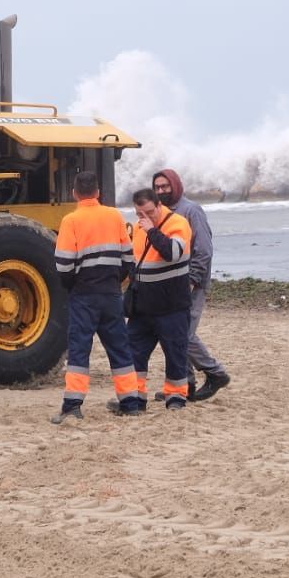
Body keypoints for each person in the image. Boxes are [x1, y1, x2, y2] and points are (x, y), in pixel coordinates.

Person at [50, 171, 140, 423]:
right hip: (111, 293)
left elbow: (64, 263)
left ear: (75, 193)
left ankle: (72, 406)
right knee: (120, 348)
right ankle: (130, 402)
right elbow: (128, 257)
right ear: (98, 192)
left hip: (84, 294)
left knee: (80, 350)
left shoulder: (71, 221)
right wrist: (116, 280)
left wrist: (71, 285)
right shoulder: (114, 216)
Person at [152, 169, 232, 401]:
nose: (161, 191)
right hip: (170, 284)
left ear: (175, 185)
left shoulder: (191, 211)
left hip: (191, 284)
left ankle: (216, 373)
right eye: (157, 187)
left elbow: (204, 250)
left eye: (165, 186)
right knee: (172, 334)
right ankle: (185, 384)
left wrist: (193, 279)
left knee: (184, 335)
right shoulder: (162, 214)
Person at [125, 187, 194, 412]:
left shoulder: (178, 224)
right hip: (143, 306)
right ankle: (135, 398)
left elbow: (172, 252)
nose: (144, 218)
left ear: (158, 205)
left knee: (175, 352)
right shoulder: (138, 228)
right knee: (133, 352)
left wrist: (152, 230)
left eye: (148, 212)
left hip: (171, 305)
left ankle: (175, 397)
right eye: (139, 214)